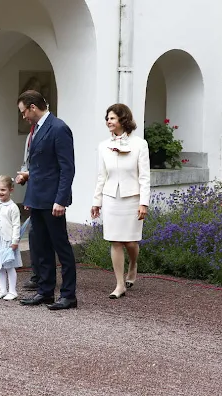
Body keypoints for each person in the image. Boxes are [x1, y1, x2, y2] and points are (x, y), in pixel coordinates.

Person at [16, 90, 77, 310]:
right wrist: (27, 186)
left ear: (33, 107)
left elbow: (66, 168)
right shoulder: (37, 129)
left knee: (60, 247)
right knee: (40, 248)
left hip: (53, 200)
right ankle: (46, 291)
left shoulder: (59, 128)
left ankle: (69, 295)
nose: (24, 117)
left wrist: (61, 200)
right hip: (37, 197)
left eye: (24, 112)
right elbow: (40, 167)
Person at [91, 103, 151, 299]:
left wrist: (144, 202)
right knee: (115, 240)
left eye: (113, 118)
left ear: (123, 120)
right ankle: (119, 284)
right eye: (107, 118)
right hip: (110, 199)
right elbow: (101, 176)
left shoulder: (140, 144)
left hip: (132, 198)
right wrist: (96, 201)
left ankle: (133, 264)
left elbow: (144, 177)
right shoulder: (103, 146)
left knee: (130, 241)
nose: (109, 121)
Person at [17, 122, 41, 291]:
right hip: (34, 192)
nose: (23, 116)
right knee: (34, 236)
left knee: (49, 239)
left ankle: (46, 277)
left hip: (48, 195)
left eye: (24, 111)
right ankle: (37, 276)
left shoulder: (51, 130)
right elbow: (28, 162)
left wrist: (29, 174)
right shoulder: (30, 135)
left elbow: (48, 168)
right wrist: (24, 177)